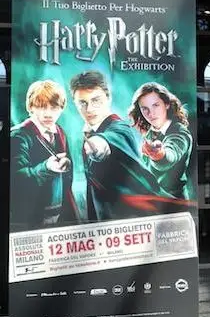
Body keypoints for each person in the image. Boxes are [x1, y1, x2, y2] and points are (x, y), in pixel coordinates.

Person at [70, 70, 189, 221]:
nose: (89, 109)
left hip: (151, 214)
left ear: (108, 98)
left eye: (96, 100)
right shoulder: (150, 133)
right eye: (82, 103)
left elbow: (171, 152)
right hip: (115, 221)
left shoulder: (119, 129)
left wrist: (160, 155)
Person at [10, 80, 78, 230]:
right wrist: (46, 167)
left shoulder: (60, 132)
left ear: (61, 108)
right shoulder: (18, 135)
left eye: (54, 107)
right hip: (30, 219)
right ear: (31, 107)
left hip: (59, 215)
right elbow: (16, 180)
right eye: (41, 107)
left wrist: (66, 165)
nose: (48, 113)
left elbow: (68, 179)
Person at [128, 82, 193, 199]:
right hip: (153, 201)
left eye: (155, 105)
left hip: (175, 203)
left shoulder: (179, 132)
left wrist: (158, 154)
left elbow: (171, 155)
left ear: (167, 104)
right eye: (145, 108)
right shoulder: (149, 133)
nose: (151, 113)